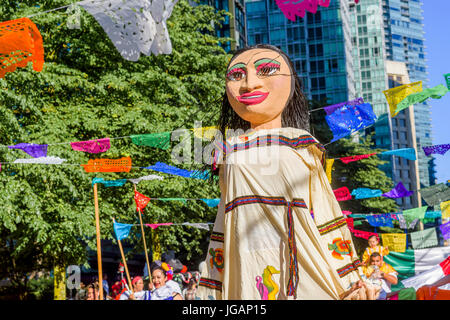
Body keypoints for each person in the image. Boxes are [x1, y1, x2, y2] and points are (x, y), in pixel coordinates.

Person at [196, 44, 362, 300]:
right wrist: (210, 291)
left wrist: (353, 279)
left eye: (267, 70)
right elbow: (224, 223)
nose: (249, 83)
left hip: (303, 268)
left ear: (291, 83)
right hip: (244, 270)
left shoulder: (301, 145)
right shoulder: (228, 152)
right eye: (237, 75)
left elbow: (328, 215)